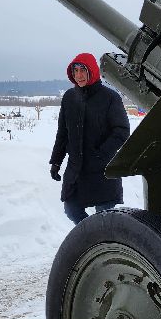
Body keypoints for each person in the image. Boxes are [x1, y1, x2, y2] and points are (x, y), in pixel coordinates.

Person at [50, 53, 130, 225]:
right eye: (75, 70)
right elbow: (62, 133)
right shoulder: (69, 98)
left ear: (92, 71)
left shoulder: (110, 98)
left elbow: (122, 131)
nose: (78, 75)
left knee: (105, 219)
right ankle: (91, 238)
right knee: (71, 210)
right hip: (77, 171)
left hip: (103, 170)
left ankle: (105, 246)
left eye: (82, 70)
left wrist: (101, 153)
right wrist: (56, 162)